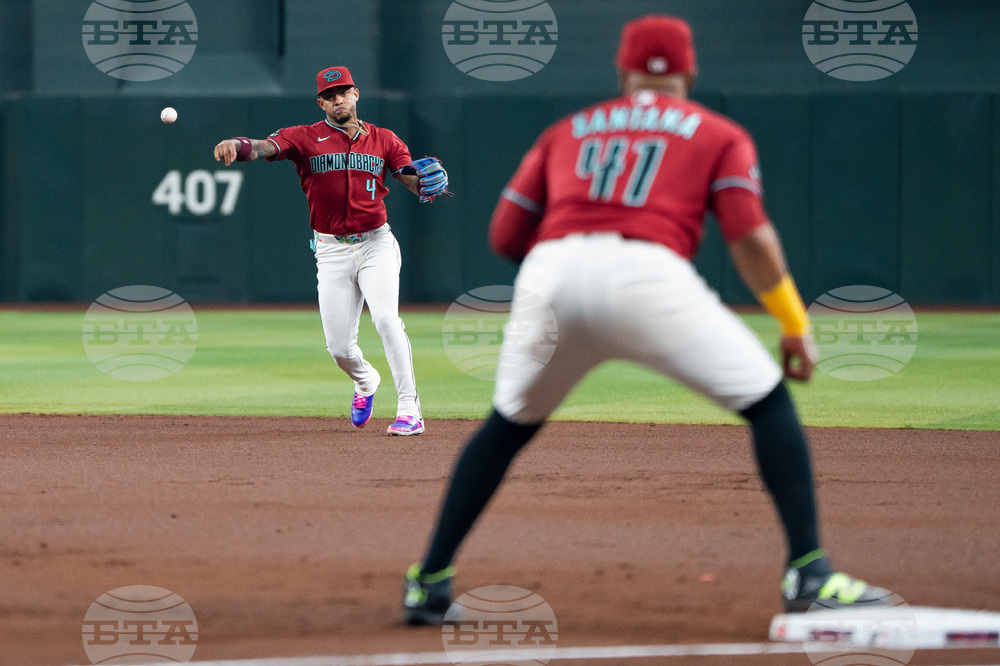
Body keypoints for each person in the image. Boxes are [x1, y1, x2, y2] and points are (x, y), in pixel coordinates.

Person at [403, 15, 891, 623]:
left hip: (550, 271)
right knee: (767, 402)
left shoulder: (567, 131)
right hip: (646, 275)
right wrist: (794, 322)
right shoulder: (718, 133)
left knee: (506, 426)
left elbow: (505, 235)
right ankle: (810, 573)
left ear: (623, 72)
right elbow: (750, 238)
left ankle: (429, 582)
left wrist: (567, 272)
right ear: (689, 72)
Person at [214, 66, 449, 436]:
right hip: (330, 250)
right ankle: (366, 380)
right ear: (321, 102)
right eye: (330, 95)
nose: (339, 99)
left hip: (376, 244)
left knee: (387, 319)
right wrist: (238, 146)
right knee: (339, 348)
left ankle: (409, 410)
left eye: (345, 92)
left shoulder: (385, 140)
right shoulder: (304, 138)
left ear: (356, 94)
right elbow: (263, 147)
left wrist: (427, 184)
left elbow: (411, 178)